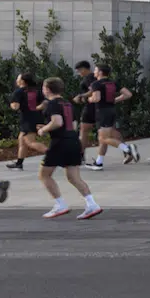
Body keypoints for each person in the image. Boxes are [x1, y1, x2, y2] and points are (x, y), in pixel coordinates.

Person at [35, 79, 102, 220]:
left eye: (43, 87)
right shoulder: (67, 104)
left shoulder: (52, 104)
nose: (42, 90)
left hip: (60, 142)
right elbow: (72, 123)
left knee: (44, 175)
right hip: (73, 140)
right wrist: (48, 126)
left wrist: (44, 130)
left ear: (47, 89)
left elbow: (57, 122)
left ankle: (60, 204)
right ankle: (92, 204)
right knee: (73, 177)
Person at [87, 63, 137, 167]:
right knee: (104, 138)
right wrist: (114, 100)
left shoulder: (96, 84)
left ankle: (128, 149)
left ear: (100, 72)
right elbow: (128, 94)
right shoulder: (114, 83)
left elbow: (96, 98)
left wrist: (89, 99)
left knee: (103, 138)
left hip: (102, 112)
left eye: (95, 70)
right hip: (111, 110)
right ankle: (99, 162)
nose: (94, 72)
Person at [6, 72, 46, 171]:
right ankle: (19, 163)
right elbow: (45, 103)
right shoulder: (37, 91)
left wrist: (12, 104)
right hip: (37, 118)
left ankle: (54, 154)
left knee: (30, 142)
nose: (16, 80)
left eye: (18, 78)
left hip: (27, 120)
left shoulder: (19, 92)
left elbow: (15, 107)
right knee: (22, 140)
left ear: (22, 81)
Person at [72, 60, 98, 153]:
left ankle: (80, 154)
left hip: (90, 107)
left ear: (83, 69)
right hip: (98, 106)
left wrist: (80, 96)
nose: (78, 73)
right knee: (108, 132)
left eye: (79, 71)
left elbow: (92, 91)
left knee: (83, 131)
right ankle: (126, 149)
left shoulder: (88, 78)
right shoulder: (95, 77)